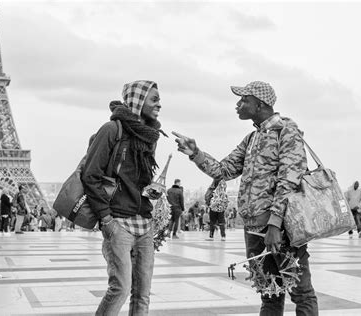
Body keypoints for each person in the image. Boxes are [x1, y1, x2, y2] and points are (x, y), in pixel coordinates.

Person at [173, 81, 318, 315]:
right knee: (269, 293)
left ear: (260, 104)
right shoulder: (251, 138)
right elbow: (224, 170)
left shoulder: (286, 130)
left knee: (301, 292)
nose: (238, 105)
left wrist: (274, 223)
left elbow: (289, 180)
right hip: (253, 229)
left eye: (243, 100)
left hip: (282, 230)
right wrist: (195, 154)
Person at [82, 80, 163, 315]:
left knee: (142, 294)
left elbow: (138, 181)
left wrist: (153, 191)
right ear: (138, 101)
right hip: (118, 222)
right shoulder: (111, 130)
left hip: (144, 224)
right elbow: (91, 175)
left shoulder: (150, 135)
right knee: (121, 288)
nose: (160, 104)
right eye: (154, 99)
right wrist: (106, 219)